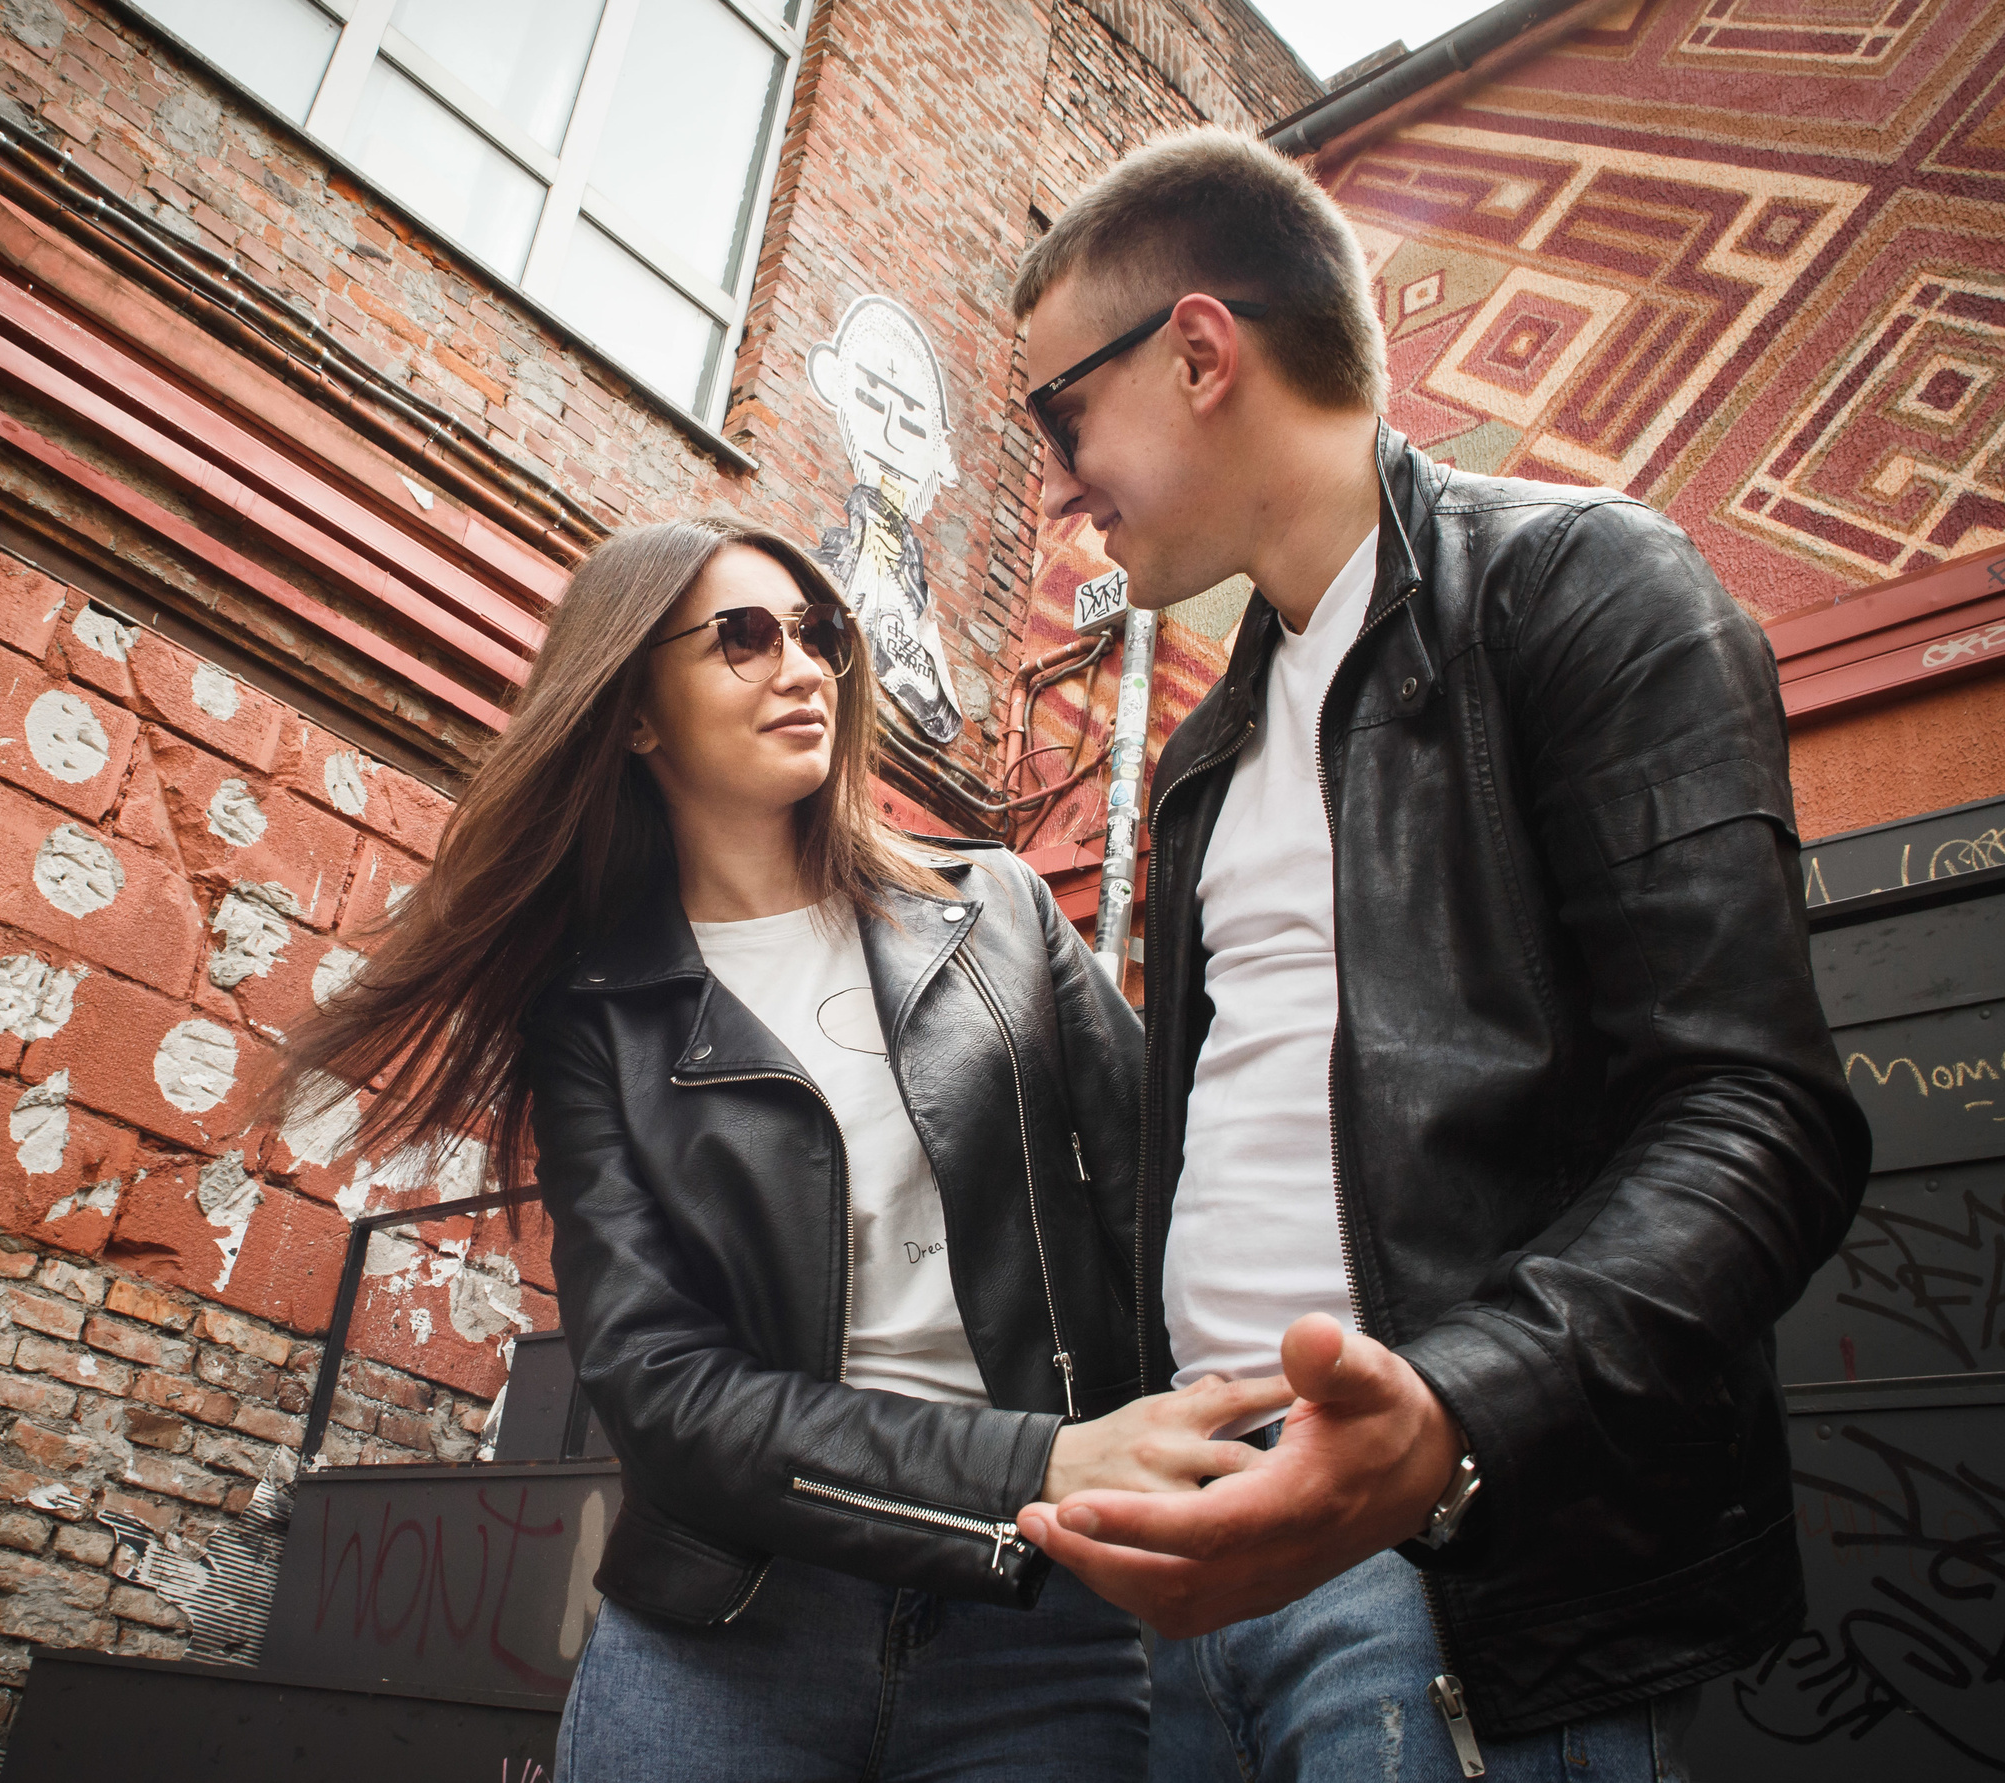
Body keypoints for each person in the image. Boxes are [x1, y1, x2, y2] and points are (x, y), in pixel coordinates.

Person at [1003, 129, 1871, 1781]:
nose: (1057, 483)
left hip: (1460, 1576)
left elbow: (1760, 1121)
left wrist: (1450, 1418)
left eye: (1061, 416)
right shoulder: (1202, 760)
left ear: (1199, 351)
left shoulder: (1591, 593)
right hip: (1195, 1561)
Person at [276, 517, 1288, 1781]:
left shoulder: (996, 915)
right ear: (636, 712)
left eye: (819, 634)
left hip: (1043, 1623)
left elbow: (1167, 1207)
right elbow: (662, 1390)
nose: (802, 666)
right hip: (734, 1627)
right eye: (742, 638)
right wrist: (1033, 1458)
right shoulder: (598, 1011)